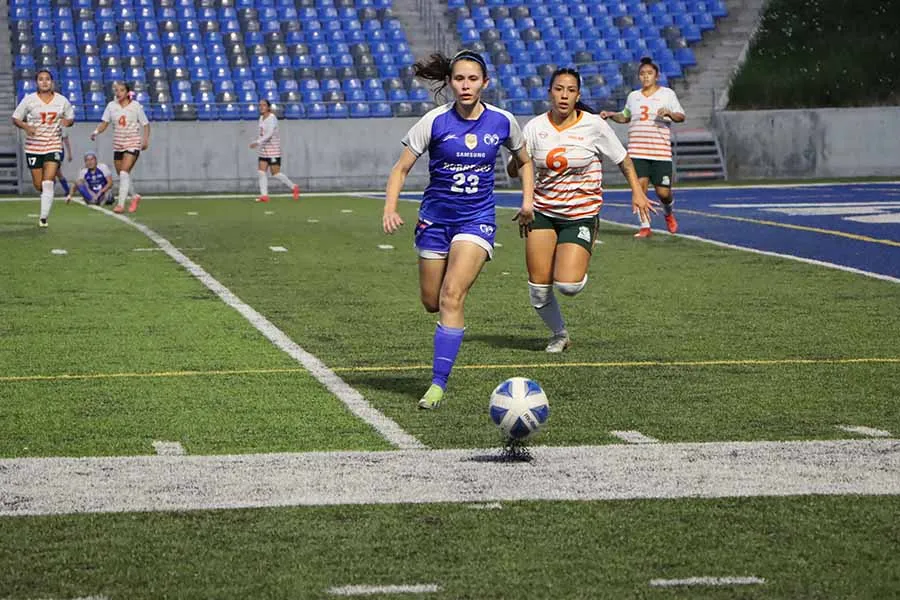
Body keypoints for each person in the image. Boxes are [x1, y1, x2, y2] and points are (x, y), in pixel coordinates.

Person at [382, 49, 534, 409]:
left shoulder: (502, 121)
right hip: (434, 221)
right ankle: (442, 353)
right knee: (432, 302)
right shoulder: (434, 121)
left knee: (452, 295)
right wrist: (390, 208)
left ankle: (437, 384)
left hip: (476, 219)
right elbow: (400, 169)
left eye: (472, 79)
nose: (465, 85)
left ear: (485, 82)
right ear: (450, 82)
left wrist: (528, 201)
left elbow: (525, 162)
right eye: (459, 79)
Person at [509, 68, 656, 352]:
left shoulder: (594, 125)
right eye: (559, 89)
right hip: (542, 212)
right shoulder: (534, 127)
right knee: (539, 291)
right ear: (550, 92)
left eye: (571, 90)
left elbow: (624, 161)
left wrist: (637, 192)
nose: (564, 95)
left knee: (568, 285)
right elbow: (516, 171)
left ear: (578, 94)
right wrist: (519, 157)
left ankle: (571, 260)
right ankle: (559, 334)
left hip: (580, 213)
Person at [601, 57, 685, 237]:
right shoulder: (633, 97)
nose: (646, 77)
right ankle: (645, 226)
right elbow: (625, 117)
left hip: (660, 153)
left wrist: (669, 113)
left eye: (649, 73)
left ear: (656, 76)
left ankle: (668, 212)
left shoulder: (667, 94)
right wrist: (610, 115)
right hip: (638, 151)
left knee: (663, 193)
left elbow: (680, 116)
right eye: (642, 74)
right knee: (640, 188)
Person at [10, 69, 75, 227]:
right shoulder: (29, 100)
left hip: (53, 145)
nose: (44, 82)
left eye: (47, 79)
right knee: (39, 185)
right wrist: (26, 126)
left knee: (48, 182)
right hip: (33, 147)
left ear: (52, 82)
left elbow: (70, 117)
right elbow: (15, 118)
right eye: (41, 79)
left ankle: (43, 218)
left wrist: (67, 122)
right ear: (36, 82)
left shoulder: (62, 100)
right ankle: (46, 196)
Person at [90, 81, 150, 214]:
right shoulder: (111, 106)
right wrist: (96, 132)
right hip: (118, 145)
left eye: (121, 90)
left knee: (123, 172)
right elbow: (104, 123)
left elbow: (145, 124)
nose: (118, 93)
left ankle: (120, 204)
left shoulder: (135, 106)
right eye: (116, 90)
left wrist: (145, 140)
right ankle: (134, 196)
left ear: (127, 92)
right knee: (123, 174)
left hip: (133, 143)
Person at [250, 99, 300, 203]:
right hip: (264, 150)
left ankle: (294, 187)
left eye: (264, 105)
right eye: (260, 105)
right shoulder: (261, 118)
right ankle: (264, 196)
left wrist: (257, 142)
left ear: (268, 107)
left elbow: (269, 134)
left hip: (273, 150)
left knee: (275, 173)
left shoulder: (272, 118)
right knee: (261, 172)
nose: (261, 107)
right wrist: (259, 143)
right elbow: (262, 133)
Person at [57, 127, 73, 200]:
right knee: (55, 172)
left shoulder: (62, 127)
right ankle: (67, 190)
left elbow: (66, 140)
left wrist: (69, 153)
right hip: (48, 150)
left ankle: (67, 190)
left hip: (58, 150)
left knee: (56, 171)